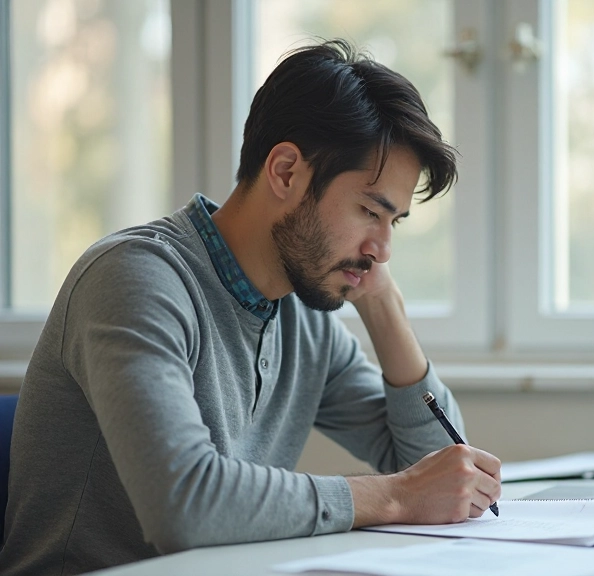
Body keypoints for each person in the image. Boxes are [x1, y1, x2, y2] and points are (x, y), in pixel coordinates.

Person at [0, 39, 501, 576]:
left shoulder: (303, 316)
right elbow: (183, 505)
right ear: (285, 171)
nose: (383, 249)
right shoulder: (136, 278)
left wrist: (385, 308)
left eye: (393, 222)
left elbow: (436, 470)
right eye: (368, 211)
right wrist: (396, 497)